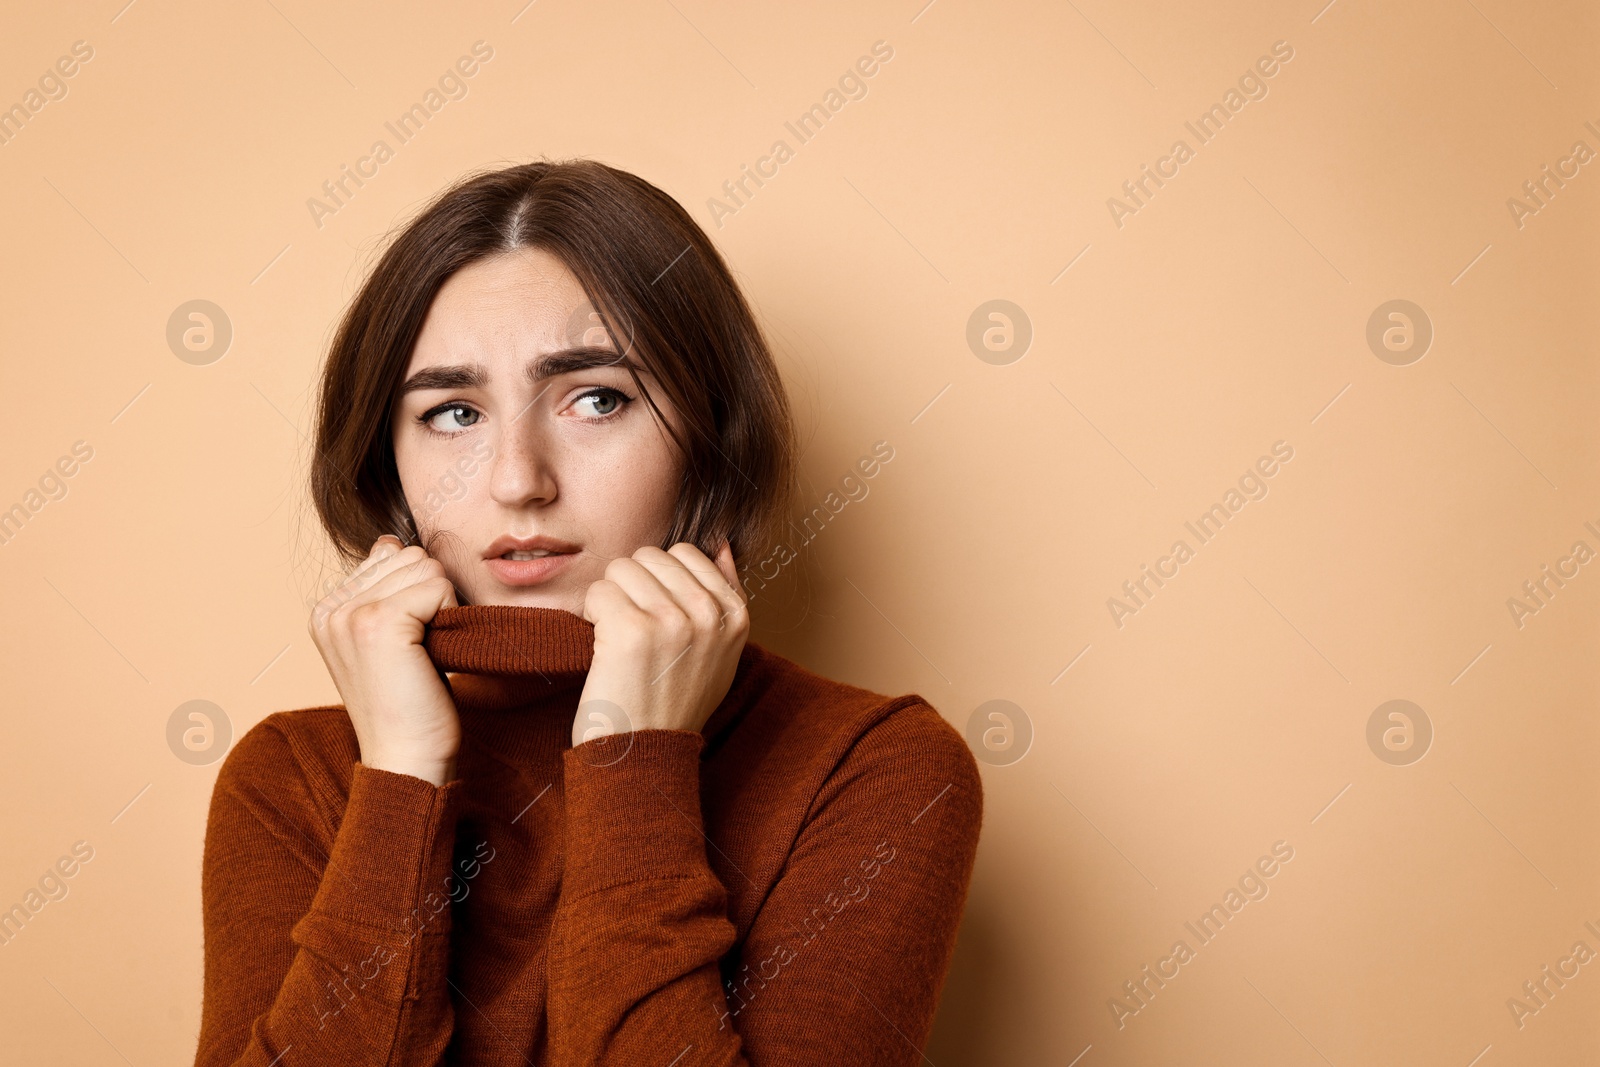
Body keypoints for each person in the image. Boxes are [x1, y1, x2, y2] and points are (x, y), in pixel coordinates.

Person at [194, 158, 982, 1066]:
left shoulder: (875, 769)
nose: (518, 480)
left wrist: (633, 760)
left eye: (597, 399)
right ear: (391, 471)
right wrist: (402, 781)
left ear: (711, 443)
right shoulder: (295, 778)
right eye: (453, 412)